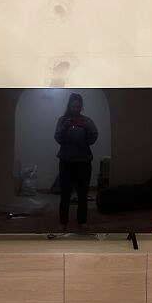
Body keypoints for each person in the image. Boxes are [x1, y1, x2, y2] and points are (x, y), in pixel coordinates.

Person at [54, 93, 98, 229]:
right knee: (65, 193)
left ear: (81, 107)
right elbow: (58, 138)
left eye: (79, 106)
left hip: (83, 161)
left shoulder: (87, 121)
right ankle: (63, 222)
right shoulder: (62, 120)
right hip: (66, 161)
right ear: (69, 106)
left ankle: (82, 221)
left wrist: (87, 129)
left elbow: (93, 138)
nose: (76, 109)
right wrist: (65, 127)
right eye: (74, 106)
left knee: (83, 193)